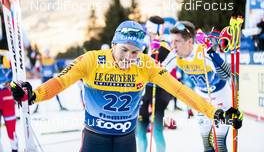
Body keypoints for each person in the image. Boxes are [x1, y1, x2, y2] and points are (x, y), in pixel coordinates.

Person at [11, 20, 242, 152]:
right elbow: (61, 82)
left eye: (135, 52)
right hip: (95, 139)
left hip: (125, 140)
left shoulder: (145, 64)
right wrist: (33, 94)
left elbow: (180, 90)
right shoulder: (92, 60)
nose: (128, 58)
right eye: (124, 50)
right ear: (113, 45)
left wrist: (216, 113)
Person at [163, 21, 234, 152]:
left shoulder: (202, 51)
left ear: (190, 41)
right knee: (206, 142)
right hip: (201, 97)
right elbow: (158, 74)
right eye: (171, 41)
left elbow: (226, 75)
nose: (173, 46)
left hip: (220, 95)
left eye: (177, 41)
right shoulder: (175, 55)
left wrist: (211, 51)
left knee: (219, 142)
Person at [136, 16, 173, 152]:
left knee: (156, 131)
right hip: (144, 93)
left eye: (150, 29)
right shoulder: (143, 45)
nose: (148, 32)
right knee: (140, 131)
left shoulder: (164, 46)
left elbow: (163, 69)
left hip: (159, 93)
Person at [33, 49, 68, 113]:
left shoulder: (52, 60)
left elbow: (55, 69)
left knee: (55, 91)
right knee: (40, 92)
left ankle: (60, 106)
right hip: (44, 78)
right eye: (46, 53)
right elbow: (38, 68)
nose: (47, 54)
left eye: (48, 52)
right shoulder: (41, 59)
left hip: (50, 77)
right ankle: (36, 108)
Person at [0, 50, 18, 152]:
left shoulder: (5, 55)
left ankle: (14, 149)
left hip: (6, 98)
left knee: (11, 129)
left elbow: (15, 75)